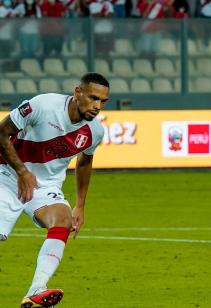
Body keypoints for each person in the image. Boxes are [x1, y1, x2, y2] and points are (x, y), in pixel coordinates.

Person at [0, 73, 109, 307]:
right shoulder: (43, 105)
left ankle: (36, 290)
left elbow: (85, 162)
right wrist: (21, 171)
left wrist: (80, 204)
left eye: (102, 101)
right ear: (77, 92)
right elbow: (2, 132)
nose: (97, 106)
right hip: (7, 173)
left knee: (63, 220)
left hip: (45, 185)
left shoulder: (95, 132)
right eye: (93, 98)